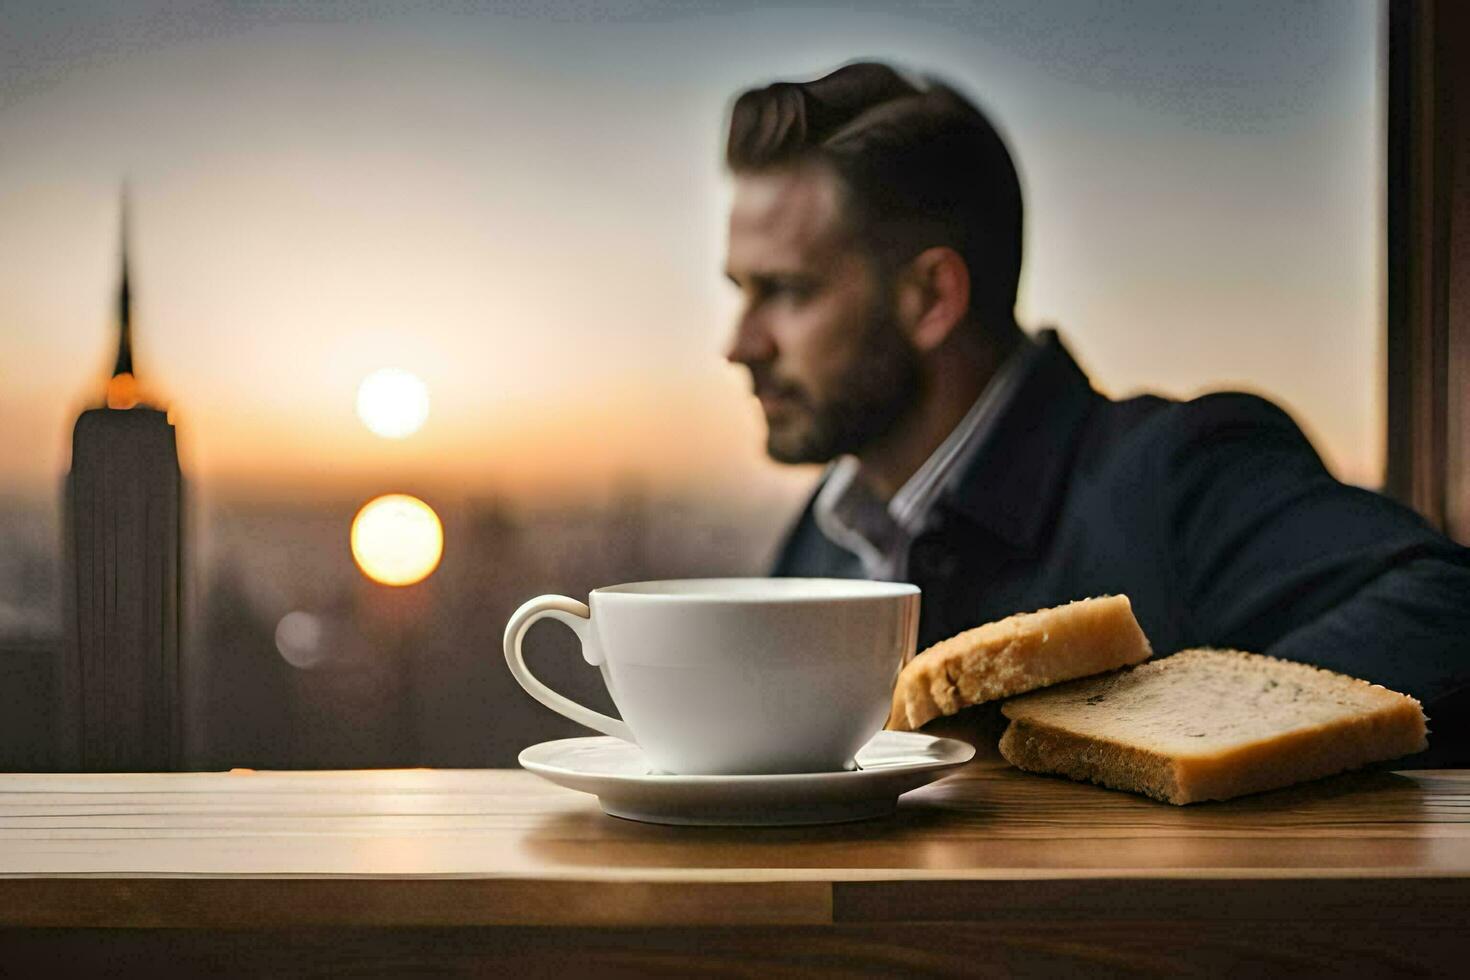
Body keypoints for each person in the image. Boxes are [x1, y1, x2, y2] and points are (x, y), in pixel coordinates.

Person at [721, 62, 1470, 764]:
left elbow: (1447, 608)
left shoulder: (1180, 475)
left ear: (931, 299)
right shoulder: (817, 549)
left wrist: (1124, 746)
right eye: (740, 290)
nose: (740, 343)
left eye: (785, 291)